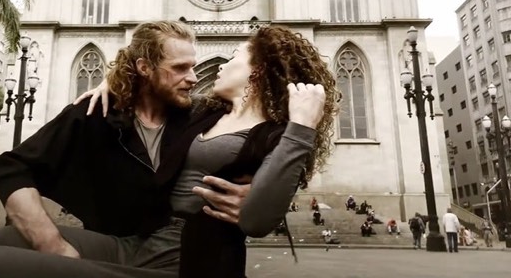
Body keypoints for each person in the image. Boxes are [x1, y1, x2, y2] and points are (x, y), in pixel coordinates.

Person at [0, 21, 253, 278]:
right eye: (179, 68)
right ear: (144, 67)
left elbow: (264, 144)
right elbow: (11, 169)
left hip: (180, 254)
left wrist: (254, 196)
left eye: (192, 67)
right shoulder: (96, 113)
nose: (192, 78)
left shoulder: (203, 115)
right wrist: (52, 244)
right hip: (119, 247)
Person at [81, 26, 337, 278]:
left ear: (257, 70)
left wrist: (302, 126)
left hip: (190, 257)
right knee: (42, 238)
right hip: (145, 236)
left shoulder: (276, 136)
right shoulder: (205, 111)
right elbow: (155, 88)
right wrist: (115, 82)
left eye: (234, 56)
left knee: (46, 265)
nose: (221, 66)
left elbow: (257, 220)